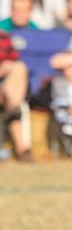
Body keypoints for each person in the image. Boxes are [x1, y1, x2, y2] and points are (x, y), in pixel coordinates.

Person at [0, 30, 30, 161]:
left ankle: (11, 108)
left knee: (18, 67)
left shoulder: (3, 37)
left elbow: (14, 59)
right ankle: (22, 149)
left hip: (6, 88)